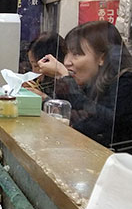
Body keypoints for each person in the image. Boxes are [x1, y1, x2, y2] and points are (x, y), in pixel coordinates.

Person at [37, 21, 132, 149]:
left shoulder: (126, 82)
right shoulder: (93, 84)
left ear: (102, 58)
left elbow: (105, 122)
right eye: (67, 53)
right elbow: (83, 122)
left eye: (76, 54)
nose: (67, 62)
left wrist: (65, 77)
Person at [23, 32, 67, 100]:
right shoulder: (44, 83)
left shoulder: (66, 85)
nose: (33, 71)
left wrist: (43, 98)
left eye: (36, 66)